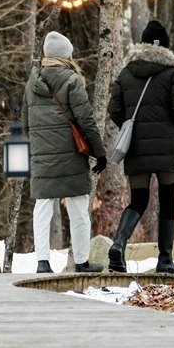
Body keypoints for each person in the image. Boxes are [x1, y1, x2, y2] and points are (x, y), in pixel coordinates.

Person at [106, 20, 174, 275]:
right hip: (167, 146)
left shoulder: (126, 73)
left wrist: (132, 126)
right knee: (167, 201)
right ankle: (165, 260)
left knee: (139, 200)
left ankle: (119, 244)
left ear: (142, 43)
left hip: (137, 146)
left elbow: (114, 110)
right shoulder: (172, 72)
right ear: (166, 45)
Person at [24, 31, 106, 273]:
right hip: (71, 154)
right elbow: (86, 120)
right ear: (66, 55)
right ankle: (81, 262)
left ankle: (42, 262)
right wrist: (99, 152)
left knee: (42, 208)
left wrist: (38, 147)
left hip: (42, 156)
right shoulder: (71, 80)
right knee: (78, 209)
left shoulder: (32, 82)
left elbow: (25, 122)